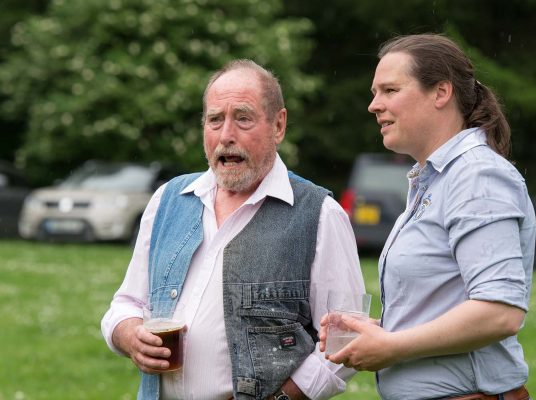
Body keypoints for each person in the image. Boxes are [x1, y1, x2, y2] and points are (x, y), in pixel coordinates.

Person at [101, 59, 365, 400]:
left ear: (278, 125)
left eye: (243, 118)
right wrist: (129, 335)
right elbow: (126, 302)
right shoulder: (168, 200)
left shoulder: (319, 214)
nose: (226, 135)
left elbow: (346, 340)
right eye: (214, 120)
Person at [320, 34, 536, 400]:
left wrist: (393, 346)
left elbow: (500, 312)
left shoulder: (477, 176)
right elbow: (444, 307)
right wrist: (376, 333)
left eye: (390, 90)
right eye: (375, 92)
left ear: (441, 93)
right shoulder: (437, 179)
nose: (374, 105)